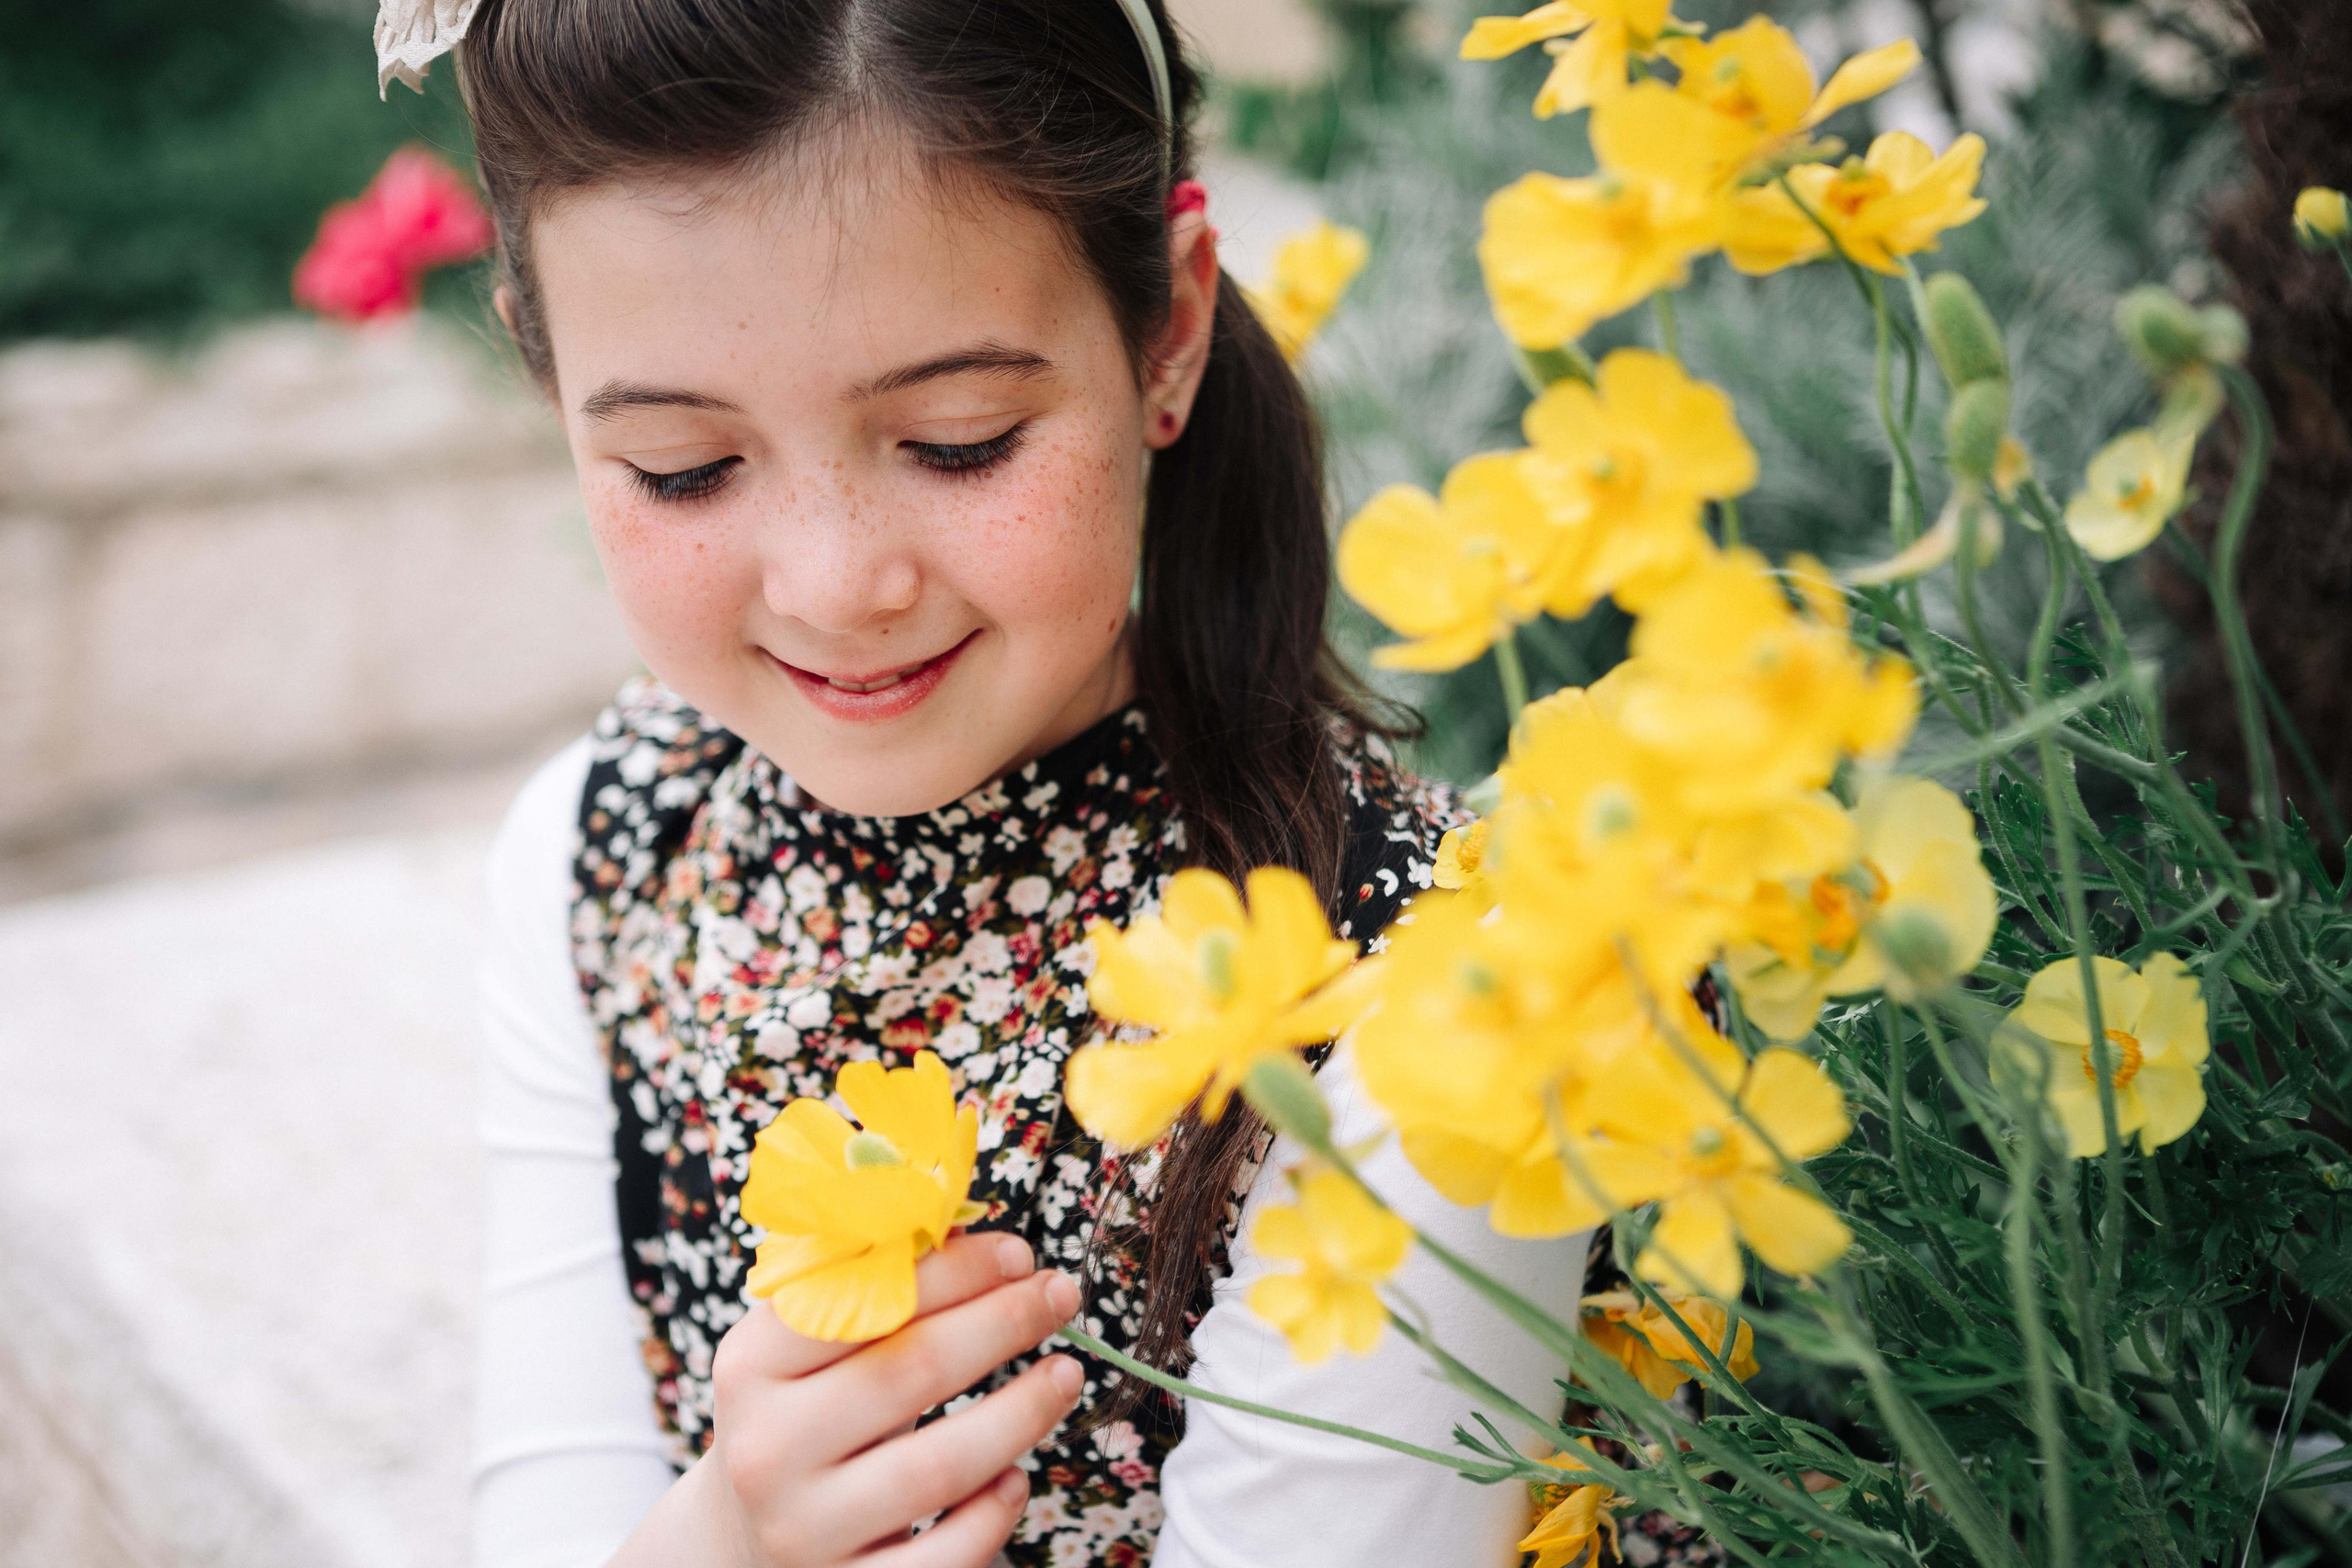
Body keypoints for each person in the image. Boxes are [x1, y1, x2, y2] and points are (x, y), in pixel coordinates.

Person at [432, 0, 1585, 1562]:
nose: (840, 586)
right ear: (547, 377)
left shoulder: (1439, 992)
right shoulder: (603, 846)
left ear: (1167, 331)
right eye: (685, 469)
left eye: (960, 439)